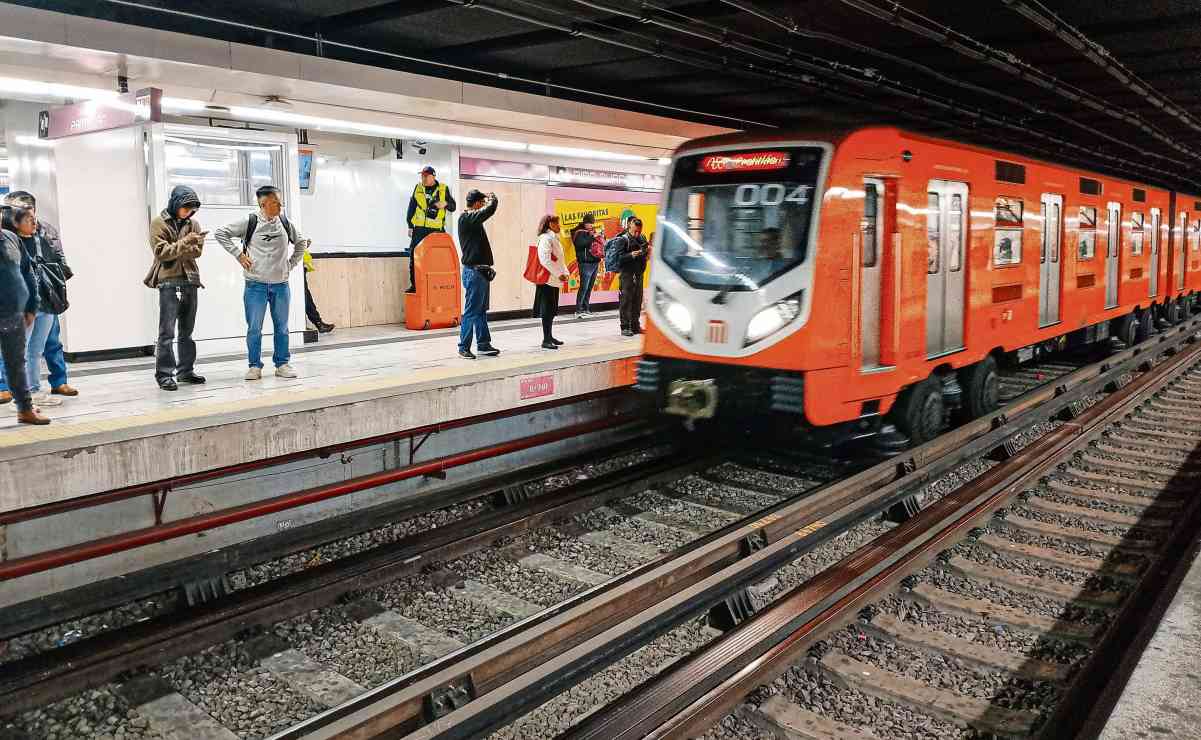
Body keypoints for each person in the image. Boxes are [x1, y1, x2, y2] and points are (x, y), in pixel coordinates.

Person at [215, 185, 308, 380]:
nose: (280, 205)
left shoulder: (284, 222)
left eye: (280, 201)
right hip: (255, 286)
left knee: (282, 327)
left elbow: (302, 242)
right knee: (254, 328)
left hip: (281, 285)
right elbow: (220, 233)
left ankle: (282, 364)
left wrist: (290, 264)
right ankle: (254, 366)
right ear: (263, 204)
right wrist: (238, 255)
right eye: (275, 202)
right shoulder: (250, 222)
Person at [0, 192, 76, 403]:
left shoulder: (43, 232)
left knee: (40, 347)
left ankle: (34, 390)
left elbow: (58, 259)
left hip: (46, 297)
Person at [145, 185, 206, 391]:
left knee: (187, 332)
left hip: (191, 280)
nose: (189, 212)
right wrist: (186, 242)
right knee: (167, 332)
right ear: (176, 203)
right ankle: (164, 375)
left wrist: (181, 246)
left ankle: (185, 371)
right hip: (168, 281)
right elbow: (162, 253)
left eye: (193, 209)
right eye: (186, 207)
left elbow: (197, 252)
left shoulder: (194, 224)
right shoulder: (158, 223)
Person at [0, 207, 48, 424]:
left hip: (13, 313)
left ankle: (25, 409)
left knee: (17, 363)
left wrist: (32, 306)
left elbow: (28, 272)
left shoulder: (10, 238)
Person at [457, 189, 500, 359]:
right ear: (476, 203)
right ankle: (463, 347)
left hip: (480, 272)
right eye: (481, 203)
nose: (483, 206)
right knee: (471, 311)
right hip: (474, 273)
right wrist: (493, 200)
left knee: (480, 310)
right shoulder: (467, 218)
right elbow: (488, 211)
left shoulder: (472, 221)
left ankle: (483, 344)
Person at [406, 166, 456, 293]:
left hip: (436, 230)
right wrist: (410, 226)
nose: (423, 178)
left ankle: (438, 285)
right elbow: (411, 207)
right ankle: (415, 286)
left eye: (426, 176)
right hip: (420, 229)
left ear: (433, 176)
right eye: (422, 176)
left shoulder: (443, 189)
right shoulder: (418, 188)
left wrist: (445, 204)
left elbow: (453, 207)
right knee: (414, 256)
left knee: (439, 258)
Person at [535, 215, 570, 349]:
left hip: (553, 280)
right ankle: (546, 339)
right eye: (557, 224)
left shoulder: (553, 238)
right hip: (547, 280)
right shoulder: (546, 238)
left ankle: (549, 336)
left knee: (551, 310)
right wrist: (559, 274)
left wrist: (564, 273)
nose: (559, 226)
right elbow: (545, 260)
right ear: (550, 224)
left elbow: (559, 259)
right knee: (547, 311)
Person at [616, 217, 649, 336]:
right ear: (629, 226)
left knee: (637, 300)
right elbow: (618, 258)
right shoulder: (622, 239)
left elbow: (645, 252)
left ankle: (635, 325)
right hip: (627, 274)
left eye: (639, 231)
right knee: (626, 301)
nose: (637, 234)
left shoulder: (642, 238)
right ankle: (625, 327)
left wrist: (646, 253)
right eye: (635, 231)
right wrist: (631, 255)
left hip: (639, 273)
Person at [571, 213, 602, 318]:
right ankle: (578, 310)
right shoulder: (578, 232)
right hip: (585, 263)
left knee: (589, 287)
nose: (591, 225)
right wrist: (592, 237)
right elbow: (580, 245)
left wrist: (598, 237)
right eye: (590, 223)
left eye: (592, 223)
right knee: (583, 287)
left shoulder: (591, 232)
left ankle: (586, 308)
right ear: (585, 223)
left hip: (594, 262)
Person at [303, 248, 334, 333]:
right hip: (293, 268)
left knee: (306, 297)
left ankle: (318, 323)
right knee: (305, 298)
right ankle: (318, 323)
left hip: (298, 267)